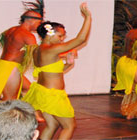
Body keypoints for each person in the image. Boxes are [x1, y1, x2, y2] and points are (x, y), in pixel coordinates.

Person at [20, 3, 91, 140]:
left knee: (52, 125)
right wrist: (87, 18)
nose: (62, 39)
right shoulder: (51, 50)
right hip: (53, 96)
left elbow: (53, 72)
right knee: (69, 126)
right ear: (49, 34)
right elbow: (80, 39)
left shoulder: (38, 50)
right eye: (60, 36)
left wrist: (68, 63)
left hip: (43, 93)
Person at [0, 0, 44, 103]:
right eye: (39, 22)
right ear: (31, 20)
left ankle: (34, 115)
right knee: (10, 99)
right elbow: (38, 54)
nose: (40, 25)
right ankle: (0, 118)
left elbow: (13, 48)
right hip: (12, 69)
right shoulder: (28, 36)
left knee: (28, 89)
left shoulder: (10, 31)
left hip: (4, 66)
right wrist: (58, 53)